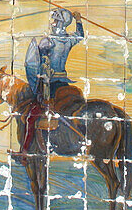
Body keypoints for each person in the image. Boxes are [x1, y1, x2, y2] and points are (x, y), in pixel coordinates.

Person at [17, 8, 84, 156]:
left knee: (31, 116)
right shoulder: (68, 40)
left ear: (60, 23)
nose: (52, 23)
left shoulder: (48, 41)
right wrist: (78, 20)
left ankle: (25, 151)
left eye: (55, 20)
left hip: (51, 85)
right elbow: (80, 35)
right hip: (64, 83)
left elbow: (37, 64)